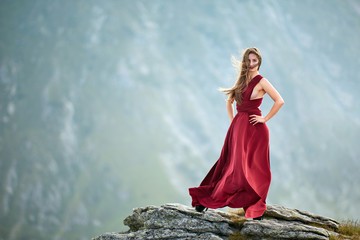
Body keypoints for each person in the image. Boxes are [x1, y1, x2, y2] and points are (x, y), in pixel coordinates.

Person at [188, 47, 284, 220]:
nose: (252, 64)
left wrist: (265, 119)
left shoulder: (262, 81)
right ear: (245, 62)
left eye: (255, 61)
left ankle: (254, 208)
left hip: (256, 131)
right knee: (231, 166)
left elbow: (279, 100)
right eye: (249, 60)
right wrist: (234, 121)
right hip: (239, 129)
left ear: (259, 62)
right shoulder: (242, 80)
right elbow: (229, 101)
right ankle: (208, 200)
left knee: (257, 170)